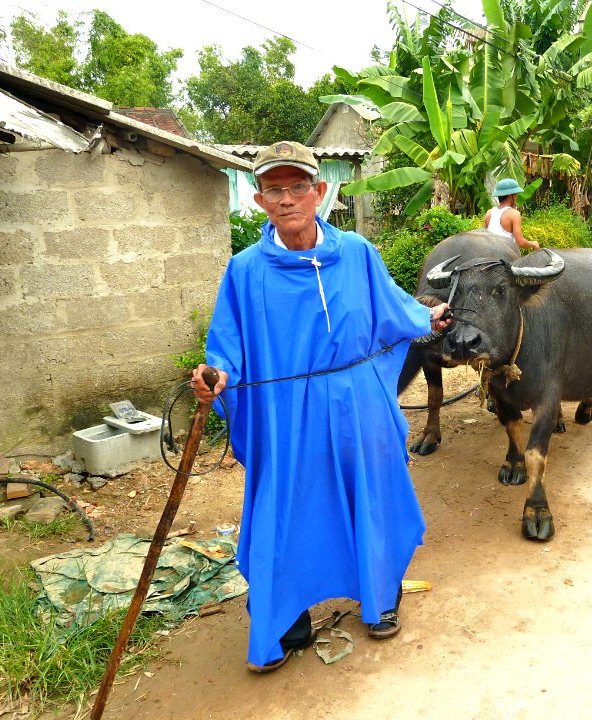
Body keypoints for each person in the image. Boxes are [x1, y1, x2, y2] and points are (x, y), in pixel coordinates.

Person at [190, 140, 452, 673]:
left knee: (373, 495)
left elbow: (394, 307)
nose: (287, 199)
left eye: (298, 187)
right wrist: (215, 379)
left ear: (320, 192)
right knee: (288, 508)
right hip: (288, 415)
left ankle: (380, 598)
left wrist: (429, 319)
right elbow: (227, 349)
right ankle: (288, 619)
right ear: (258, 200)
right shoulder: (244, 271)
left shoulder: (357, 252)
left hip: (360, 405)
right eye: (274, 190)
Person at [484, 178, 540, 250]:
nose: (516, 198)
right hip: (506, 258)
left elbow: (484, 237)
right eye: (516, 195)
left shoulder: (489, 213)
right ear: (511, 196)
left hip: (488, 255)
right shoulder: (514, 214)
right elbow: (520, 242)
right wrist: (533, 244)